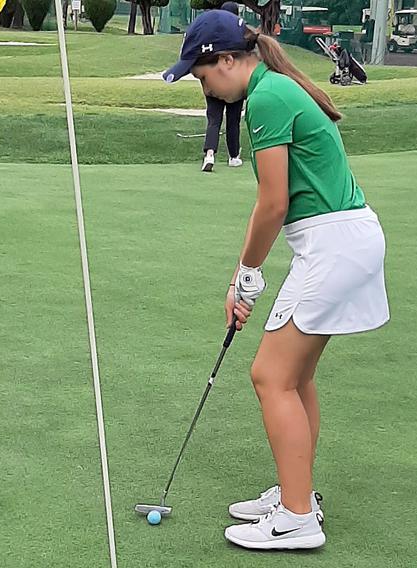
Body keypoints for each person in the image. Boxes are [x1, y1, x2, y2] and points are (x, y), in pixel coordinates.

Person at [163, 9, 390, 551]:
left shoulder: (265, 98)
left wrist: (245, 273)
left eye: (202, 77)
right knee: (295, 375)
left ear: (224, 61)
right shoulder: (275, 87)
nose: (206, 90)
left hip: (335, 245)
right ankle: (299, 493)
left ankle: (296, 517)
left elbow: (272, 204)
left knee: (270, 375)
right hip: (338, 242)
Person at [201, 2, 245, 172]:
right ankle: (233, 157)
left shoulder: (210, 33)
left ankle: (209, 154)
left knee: (214, 119)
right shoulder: (242, 34)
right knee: (233, 120)